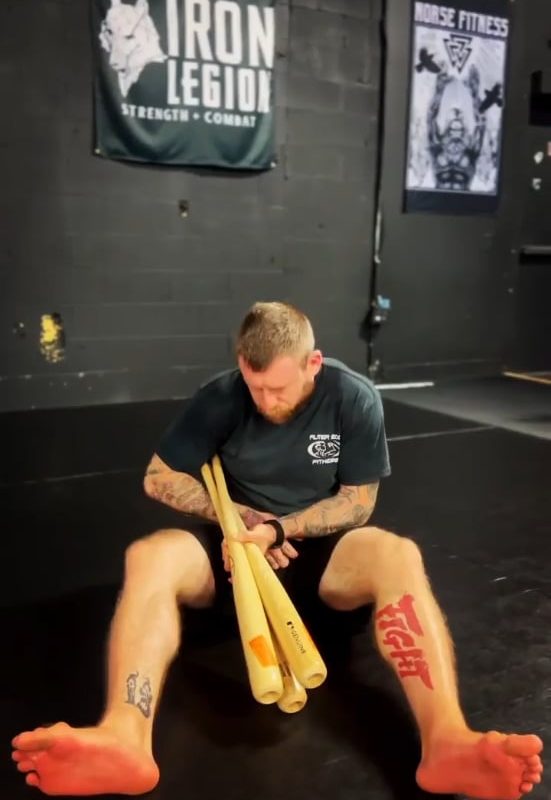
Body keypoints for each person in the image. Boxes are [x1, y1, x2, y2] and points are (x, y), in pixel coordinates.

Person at [12, 302, 543, 799]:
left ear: (313, 362)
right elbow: (158, 477)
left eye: (279, 389)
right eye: (255, 386)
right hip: (232, 547)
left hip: (318, 555)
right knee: (149, 554)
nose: (266, 402)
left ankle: (447, 740)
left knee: (397, 553)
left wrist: (280, 530)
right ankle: (125, 734)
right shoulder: (221, 396)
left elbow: (358, 502)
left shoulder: (352, 397)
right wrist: (241, 521)